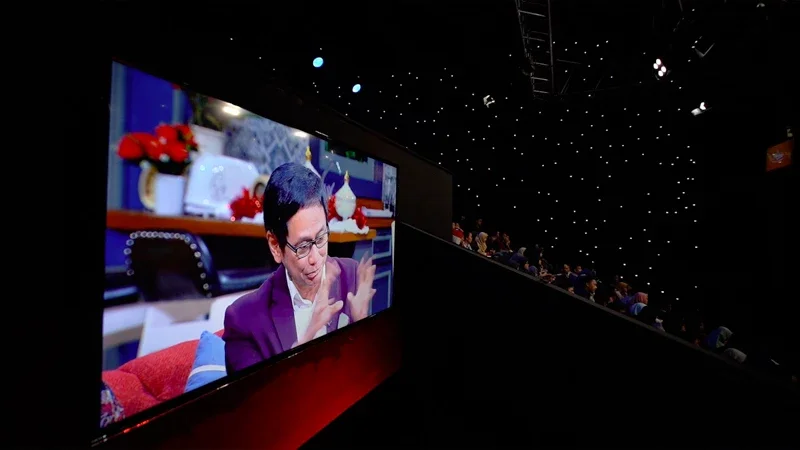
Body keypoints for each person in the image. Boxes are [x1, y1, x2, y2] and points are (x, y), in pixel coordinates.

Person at [222, 163, 377, 373]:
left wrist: (364, 330)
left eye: (321, 238)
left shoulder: (353, 277)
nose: (316, 258)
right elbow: (258, 403)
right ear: (276, 245)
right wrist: (307, 338)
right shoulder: (243, 321)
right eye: (303, 247)